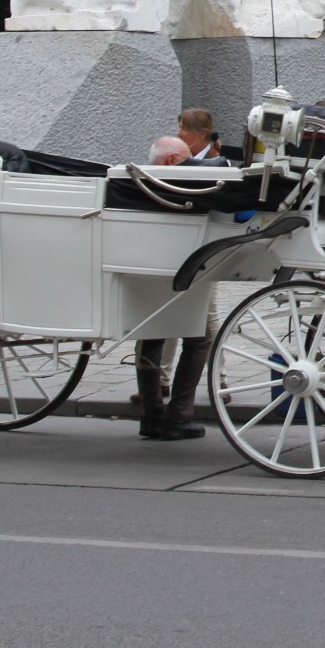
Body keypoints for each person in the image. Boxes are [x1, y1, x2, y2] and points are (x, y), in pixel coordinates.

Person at [132, 130, 215, 438]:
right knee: (199, 339)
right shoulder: (171, 185)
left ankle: (152, 415)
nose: (193, 166)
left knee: (152, 339)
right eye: (188, 161)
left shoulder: (141, 183)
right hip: (177, 271)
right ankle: (178, 414)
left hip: (149, 269)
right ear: (171, 160)